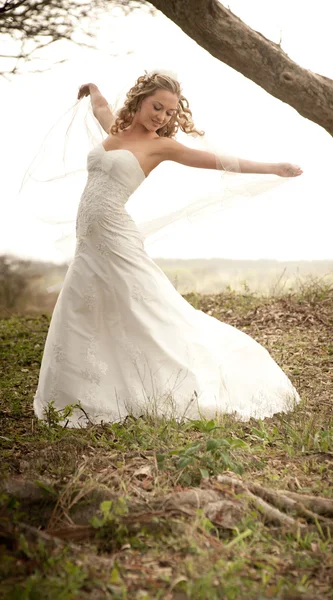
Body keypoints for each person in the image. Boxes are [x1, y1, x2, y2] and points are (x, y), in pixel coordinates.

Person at [33, 71, 303, 427]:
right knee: (85, 308)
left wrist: (274, 168)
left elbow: (219, 161)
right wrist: (94, 88)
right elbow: (100, 110)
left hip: (116, 237)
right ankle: (82, 392)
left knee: (147, 307)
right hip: (89, 241)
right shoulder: (115, 131)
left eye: (169, 112)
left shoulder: (161, 146)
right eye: (156, 107)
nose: (161, 116)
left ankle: (178, 380)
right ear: (140, 100)